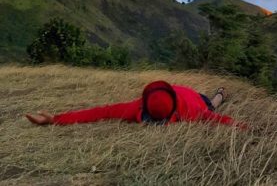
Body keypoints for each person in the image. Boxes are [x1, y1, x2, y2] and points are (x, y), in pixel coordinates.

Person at [25, 80, 242, 128]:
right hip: (176, 91)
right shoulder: (139, 106)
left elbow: (218, 118)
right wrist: (55, 119)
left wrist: (247, 128)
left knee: (213, 104)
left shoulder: (193, 111)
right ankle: (221, 92)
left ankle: (221, 92)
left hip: (194, 96)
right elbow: (101, 112)